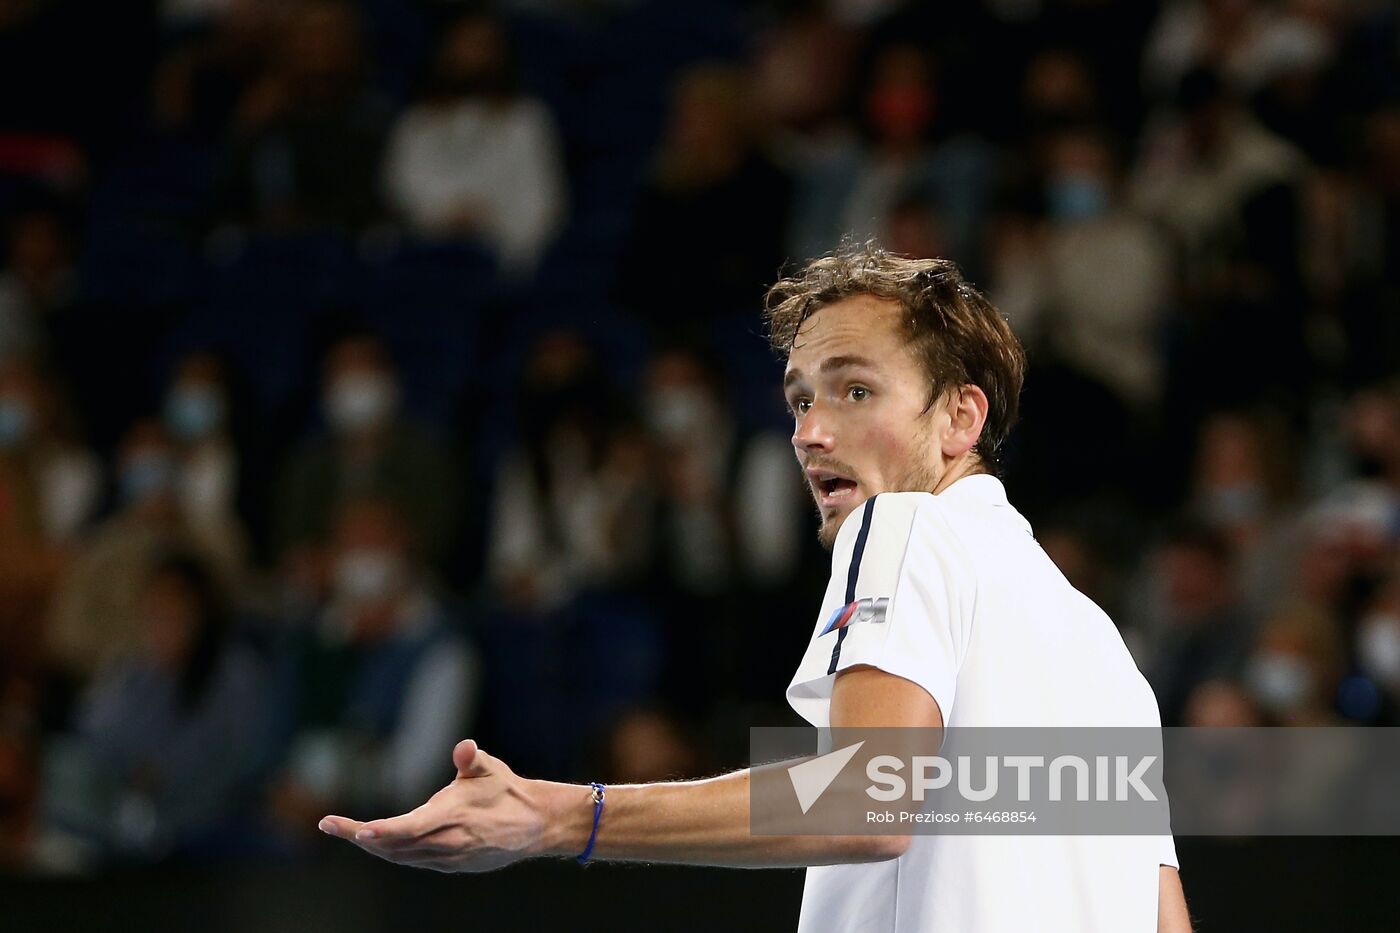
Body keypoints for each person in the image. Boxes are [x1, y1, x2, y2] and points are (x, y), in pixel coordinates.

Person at [318, 243, 1192, 932]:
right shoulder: (1104, 649)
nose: (812, 431)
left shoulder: (906, 525)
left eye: (855, 389)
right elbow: (1162, 920)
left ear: (960, 417)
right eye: (800, 399)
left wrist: (554, 814)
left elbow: (867, 800)